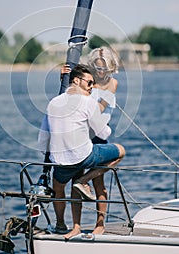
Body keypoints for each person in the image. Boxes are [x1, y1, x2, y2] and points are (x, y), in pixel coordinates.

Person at [38, 64, 125, 238]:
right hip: (83, 154)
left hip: (60, 160)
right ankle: (85, 180)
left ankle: (62, 225)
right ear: (76, 81)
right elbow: (104, 132)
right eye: (89, 83)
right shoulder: (87, 101)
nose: (91, 87)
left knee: (59, 186)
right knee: (121, 151)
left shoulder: (53, 102)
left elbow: (43, 140)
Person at [61, 46, 120, 236]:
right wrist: (64, 77)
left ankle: (100, 224)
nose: (101, 71)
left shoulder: (112, 84)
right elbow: (69, 95)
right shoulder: (88, 81)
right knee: (74, 183)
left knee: (98, 183)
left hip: (99, 135)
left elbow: (99, 109)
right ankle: (76, 225)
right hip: (81, 134)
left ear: (111, 67)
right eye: (97, 67)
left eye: (105, 68)